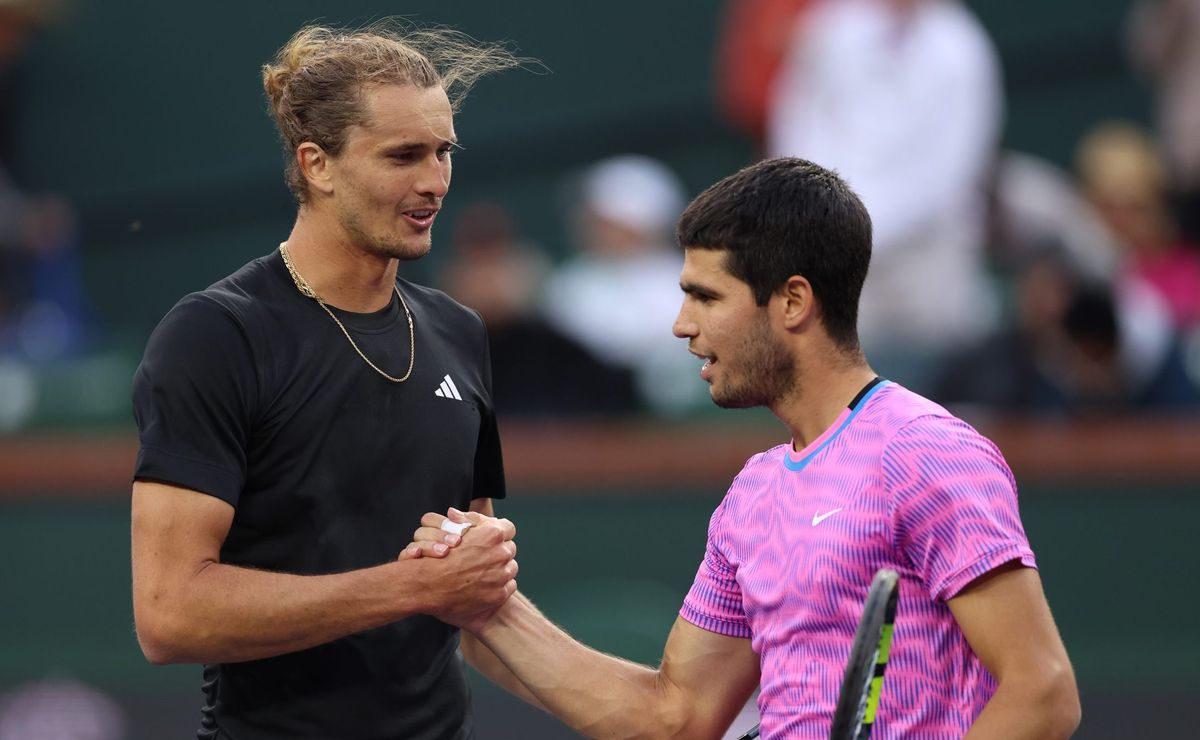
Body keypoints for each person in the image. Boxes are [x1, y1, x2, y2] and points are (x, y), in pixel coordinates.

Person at [407, 158, 1082, 738]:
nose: (682, 325)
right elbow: (677, 716)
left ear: (791, 302)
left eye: (705, 296)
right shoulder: (753, 493)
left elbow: (1042, 690)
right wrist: (488, 607)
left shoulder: (925, 451)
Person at [129, 23, 527, 739]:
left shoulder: (459, 333)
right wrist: (409, 588)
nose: (434, 181)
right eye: (403, 155)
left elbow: (471, 591)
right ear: (318, 165)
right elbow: (169, 613)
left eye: (443, 152)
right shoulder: (217, 335)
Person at [766, 0, 1004, 393]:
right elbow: (798, 124)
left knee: (942, 387)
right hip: (837, 243)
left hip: (928, 253)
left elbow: (954, 165)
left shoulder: (961, 48)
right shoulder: (831, 27)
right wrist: (823, 213)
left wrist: (863, 224)